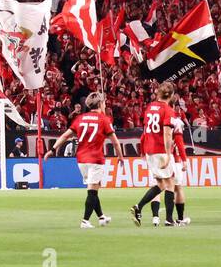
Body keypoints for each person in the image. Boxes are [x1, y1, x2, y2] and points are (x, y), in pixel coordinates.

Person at [44, 91, 122, 228]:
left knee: (94, 187)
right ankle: (85, 221)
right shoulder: (104, 119)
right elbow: (115, 142)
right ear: (99, 104)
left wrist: (52, 150)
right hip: (95, 159)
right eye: (103, 103)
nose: (104, 105)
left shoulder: (80, 118)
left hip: (81, 160)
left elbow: (65, 136)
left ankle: (101, 217)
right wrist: (120, 156)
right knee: (92, 190)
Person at [131, 81, 180, 227]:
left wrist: (142, 149)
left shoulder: (150, 107)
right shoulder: (168, 110)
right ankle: (169, 219)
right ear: (171, 95)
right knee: (170, 182)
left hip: (149, 149)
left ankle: (138, 208)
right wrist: (168, 154)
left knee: (161, 183)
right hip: (160, 149)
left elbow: (145, 130)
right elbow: (166, 133)